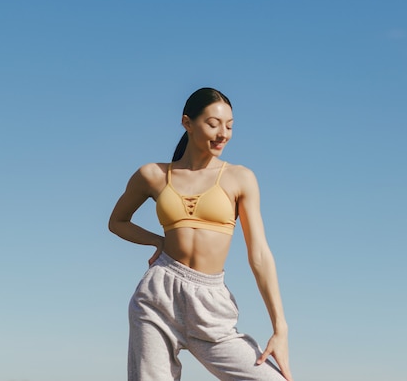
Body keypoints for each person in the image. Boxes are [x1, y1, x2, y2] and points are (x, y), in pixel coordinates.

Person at [109, 87, 293, 381]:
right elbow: (117, 221)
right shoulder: (153, 175)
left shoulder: (240, 177)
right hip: (158, 297)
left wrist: (280, 328)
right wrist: (158, 240)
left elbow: (259, 254)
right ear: (187, 123)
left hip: (211, 303)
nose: (223, 134)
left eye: (229, 126)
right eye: (213, 124)